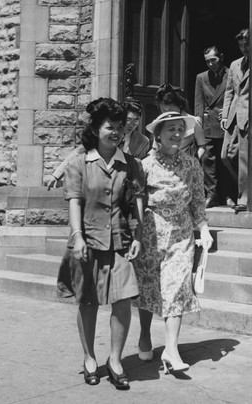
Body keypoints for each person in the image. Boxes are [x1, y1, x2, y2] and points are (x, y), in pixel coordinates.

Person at [57, 98, 145, 390]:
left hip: (119, 243)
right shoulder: (79, 163)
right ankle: (89, 358)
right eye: (110, 126)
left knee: (123, 301)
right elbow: (74, 202)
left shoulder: (130, 165)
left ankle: (116, 361)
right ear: (95, 129)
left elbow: (135, 205)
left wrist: (139, 237)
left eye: (120, 127)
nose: (116, 132)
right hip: (89, 242)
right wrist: (77, 236)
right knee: (89, 302)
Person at [133, 111, 213, 372]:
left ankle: (171, 349)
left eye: (181, 129)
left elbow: (198, 200)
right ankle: (145, 334)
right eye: (171, 130)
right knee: (149, 286)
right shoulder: (144, 166)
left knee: (177, 286)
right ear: (158, 135)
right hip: (151, 232)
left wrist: (204, 229)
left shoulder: (191, 165)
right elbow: (136, 200)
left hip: (181, 232)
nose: (178, 134)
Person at [46, 98, 150, 189]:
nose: (132, 124)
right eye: (128, 119)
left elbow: (139, 169)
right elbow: (77, 153)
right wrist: (56, 175)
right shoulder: (105, 136)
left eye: (136, 120)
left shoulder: (143, 142)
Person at [195, 45, 237, 208]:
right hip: (208, 124)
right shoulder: (201, 77)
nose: (211, 64)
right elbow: (199, 103)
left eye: (214, 60)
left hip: (226, 123)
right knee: (207, 160)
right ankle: (211, 195)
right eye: (207, 61)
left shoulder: (231, 73)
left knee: (226, 159)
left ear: (221, 57)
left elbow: (236, 95)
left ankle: (228, 195)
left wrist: (228, 112)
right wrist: (198, 126)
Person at [221, 28, 250, 213]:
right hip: (232, 116)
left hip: (248, 116)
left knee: (244, 159)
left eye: (246, 45)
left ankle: (244, 197)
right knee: (226, 155)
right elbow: (229, 91)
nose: (243, 49)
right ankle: (244, 189)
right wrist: (224, 115)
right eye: (240, 45)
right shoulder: (234, 65)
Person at [154, 83, 207, 160]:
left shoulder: (193, 121)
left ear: (180, 106)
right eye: (164, 110)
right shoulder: (159, 121)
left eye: (171, 110)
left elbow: (202, 145)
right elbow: (155, 147)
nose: (167, 113)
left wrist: (193, 162)